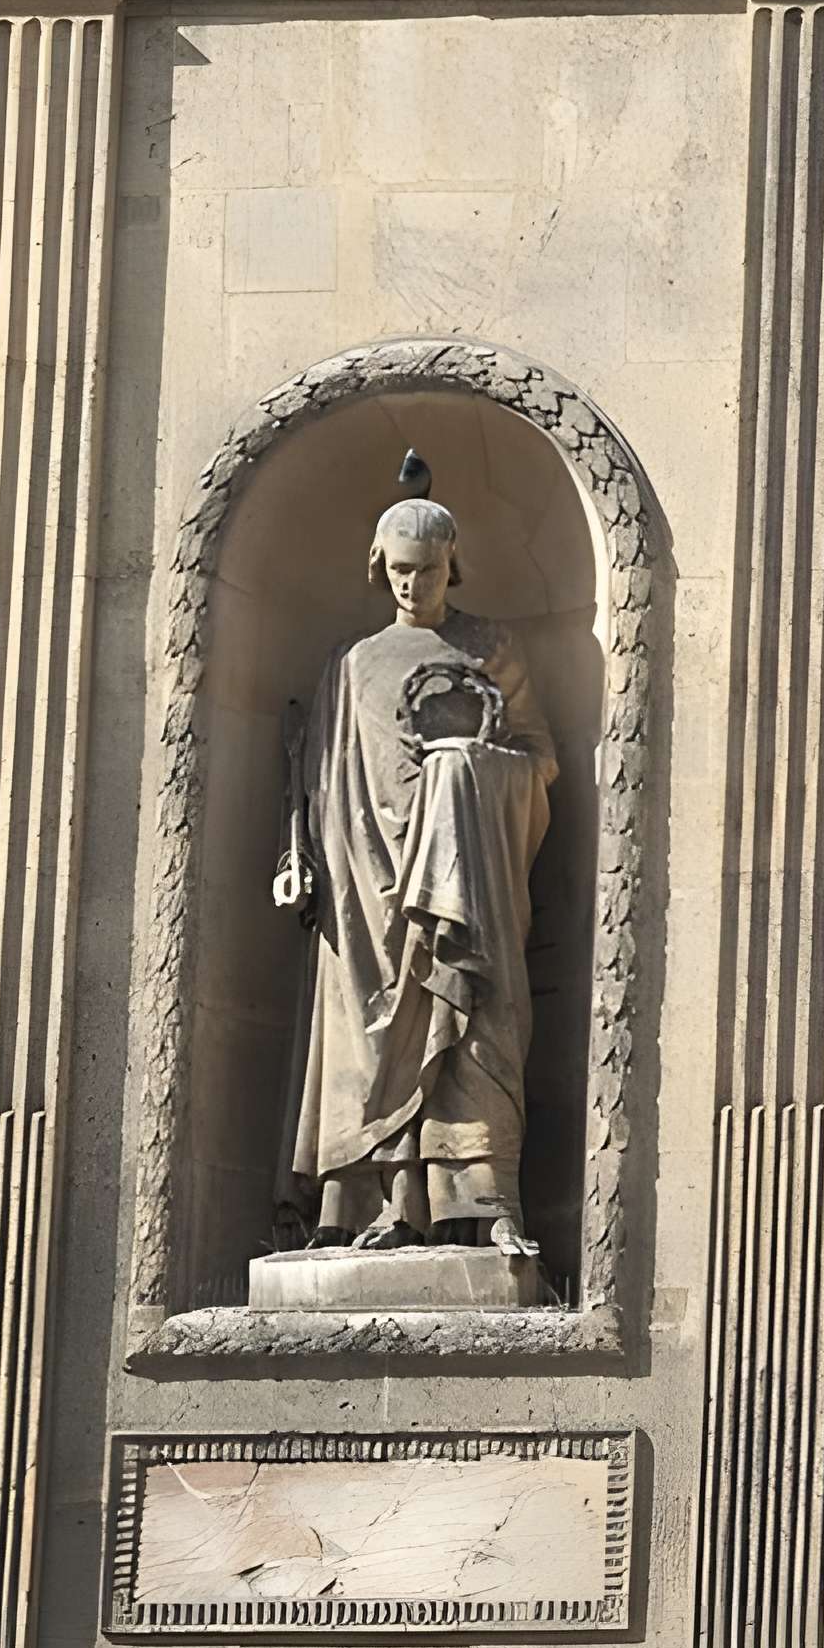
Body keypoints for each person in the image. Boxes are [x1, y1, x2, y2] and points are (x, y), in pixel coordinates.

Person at [275, 496, 556, 1256]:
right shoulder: (353, 663)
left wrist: (467, 769)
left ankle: (476, 1202)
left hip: (467, 883)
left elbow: (540, 761)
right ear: (379, 566)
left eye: (427, 570)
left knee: (471, 1022)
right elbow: (321, 783)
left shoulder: (491, 647)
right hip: (365, 890)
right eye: (400, 570)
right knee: (366, 1044)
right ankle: (374, 1201)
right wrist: (305, 858)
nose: (412, 584)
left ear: (450, 564)